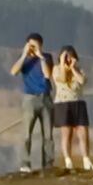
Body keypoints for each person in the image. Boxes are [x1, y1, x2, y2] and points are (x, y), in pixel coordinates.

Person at [13, 35, 53, 170]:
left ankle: (48, 164)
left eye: (35, 45)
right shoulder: (24, 60)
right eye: (30, 45)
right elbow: (13, 72)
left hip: (45, 97)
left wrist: (40, 56)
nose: (32, 49)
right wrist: (24, 55)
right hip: (29, 98)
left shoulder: (47, 58)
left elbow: (47, 75)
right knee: (26, 133)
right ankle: (24, 164)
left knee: (48, 134)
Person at [52, 45, 90, 169]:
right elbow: (62, 79)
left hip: (78, 102)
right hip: (63, 103)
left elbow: (82, 81)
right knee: (66, 133)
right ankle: (68, 160)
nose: (68, 58)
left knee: (83, 131)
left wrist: (73, 68)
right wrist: (63, 64)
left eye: (70, 56)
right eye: (65, 56)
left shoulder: (80, 70)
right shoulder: (56, 69)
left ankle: (86, 159)